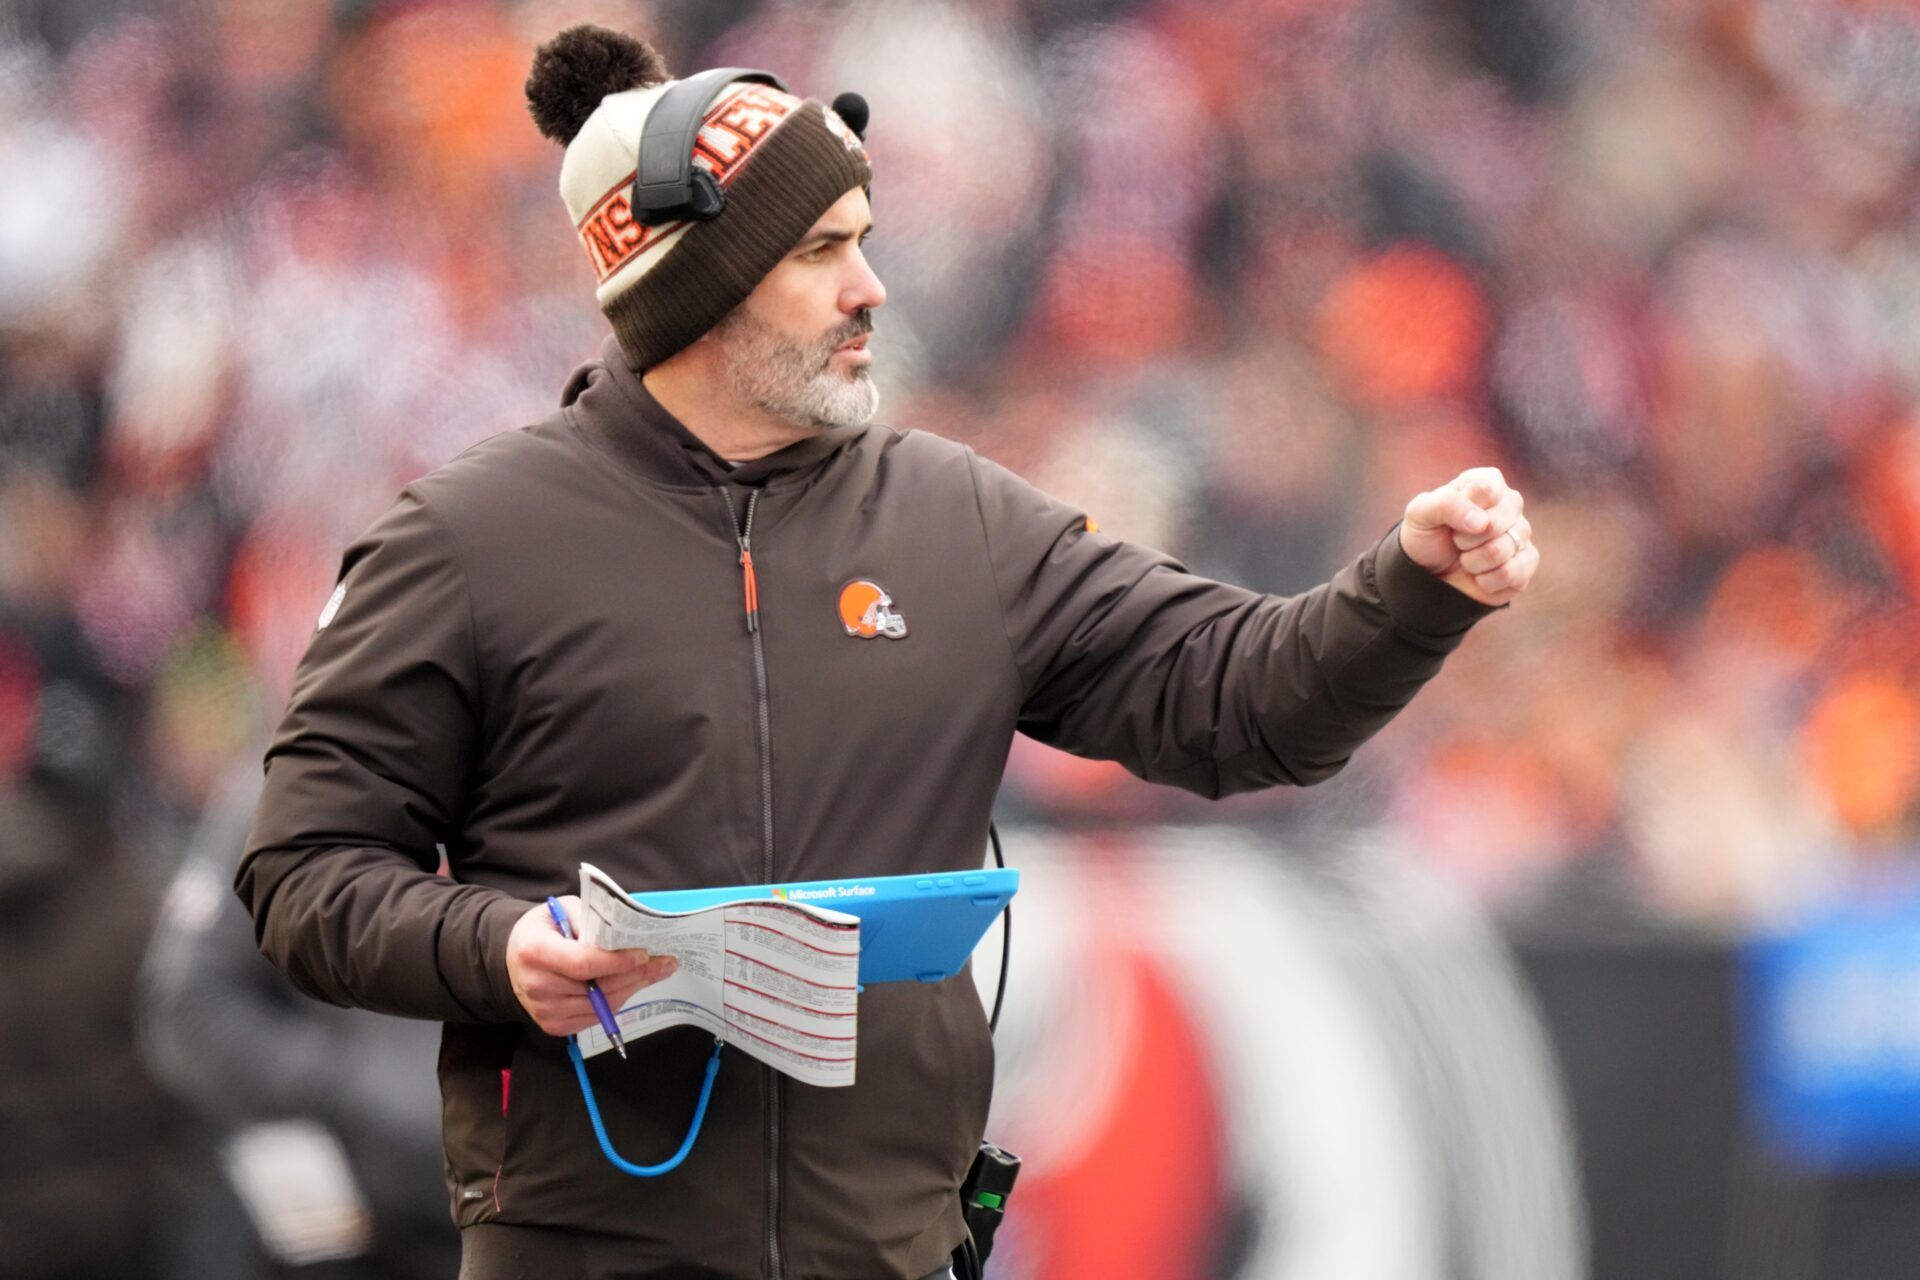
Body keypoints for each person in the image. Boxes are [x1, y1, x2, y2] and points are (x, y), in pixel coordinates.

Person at [235, 24, 1540, 1280]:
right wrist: (500, 947)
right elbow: (304, 874)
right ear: (703, 286)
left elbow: (1244, 706)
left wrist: (1410, 589)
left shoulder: (956, 521)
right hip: (587, 1253)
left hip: (891, 1253)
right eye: (819, 252)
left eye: (862, 242)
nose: (871, 288)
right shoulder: (467, 542)